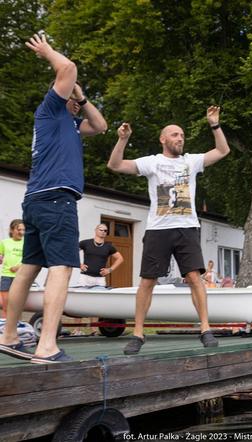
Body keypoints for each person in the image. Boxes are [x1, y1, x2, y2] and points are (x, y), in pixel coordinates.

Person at [0, 32, 107, 363]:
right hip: (56, 199)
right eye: (70, 95)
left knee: (30, 267)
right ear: (60, 95)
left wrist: (84, 100)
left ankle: (9, 336)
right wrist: (48, 52)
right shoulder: (49, 110)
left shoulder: (70, 125)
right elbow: (69, 68)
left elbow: (101, 126)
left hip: (36, 201)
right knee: (61, 268)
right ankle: (46, 345)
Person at [107, 106, 230, 355]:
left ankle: (205, 329)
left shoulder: (191, 161)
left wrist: (214, 125)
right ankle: (138, 334)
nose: (180, 138)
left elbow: (222, 150)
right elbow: (115, 164)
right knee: (147, 282)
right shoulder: (152, 162)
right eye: (175, 135)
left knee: (195, 278)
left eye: (182, 135)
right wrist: (122, 139)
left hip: (187, 228)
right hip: (158, 230)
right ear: (163, 139)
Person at [0, 220, 26, 318]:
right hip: (6, 276)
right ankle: (4, 329)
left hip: (20, 277)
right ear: (12, 230)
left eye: (23, 230)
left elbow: (28, 259)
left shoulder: (26, 244)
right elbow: (1, 256)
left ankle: (16, 327)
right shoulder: (4, 243)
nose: (21, 232)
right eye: (19, 229)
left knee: (17, 306)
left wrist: (18, 267)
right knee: (5, 307)